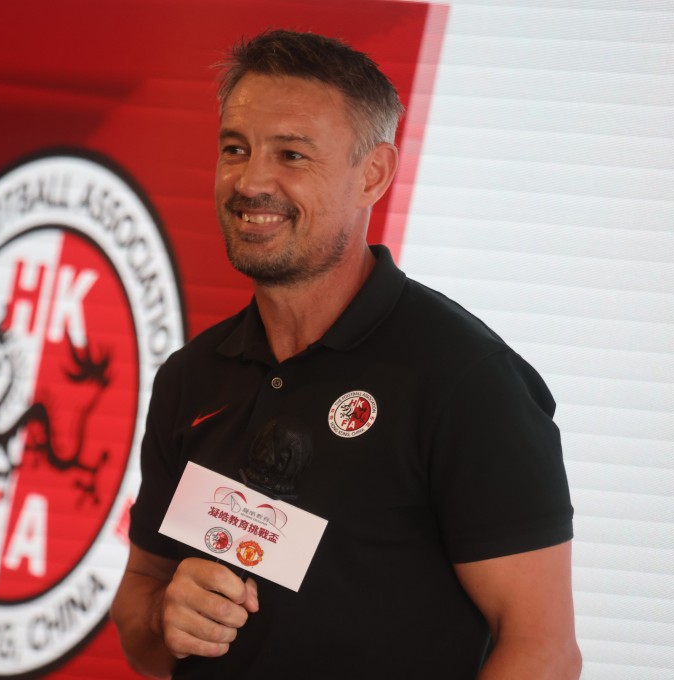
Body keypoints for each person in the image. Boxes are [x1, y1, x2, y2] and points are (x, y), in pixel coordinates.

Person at [111, 29, 582, 679]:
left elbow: (542, 653)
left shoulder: (466, 381)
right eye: (235, 149)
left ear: (375, 174)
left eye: (292, 155)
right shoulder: (191, 378)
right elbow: (140, 618)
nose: (251, 181)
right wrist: (169, 613)